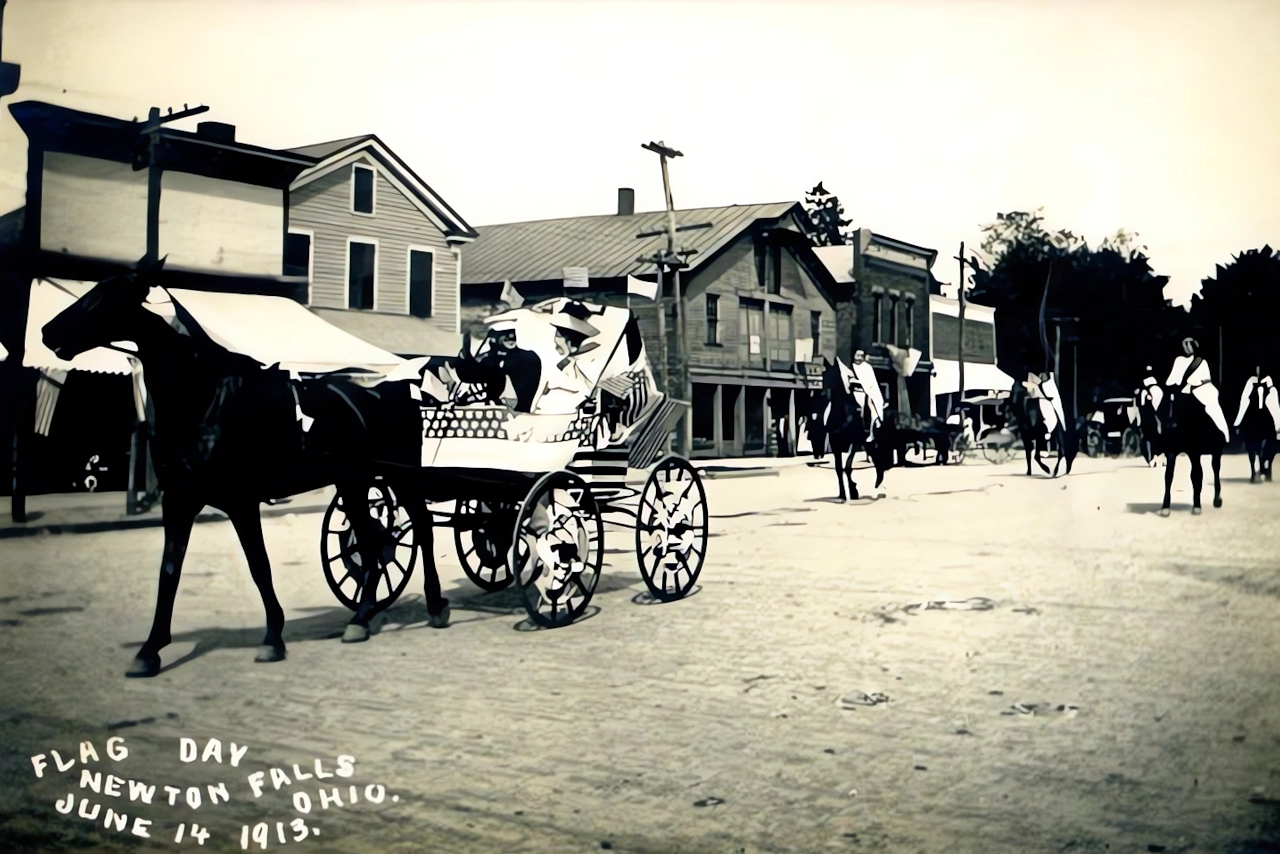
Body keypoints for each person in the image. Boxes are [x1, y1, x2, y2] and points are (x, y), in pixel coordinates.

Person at [1165, 337, 1230, 443]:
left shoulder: (1181, 361)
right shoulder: (1202, 361)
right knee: (1216, 414)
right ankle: (1225, 437)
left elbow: (1171, 381)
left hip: (1201, 391)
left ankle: (1223, 437)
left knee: (1212, 414)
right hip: (1205, 390)